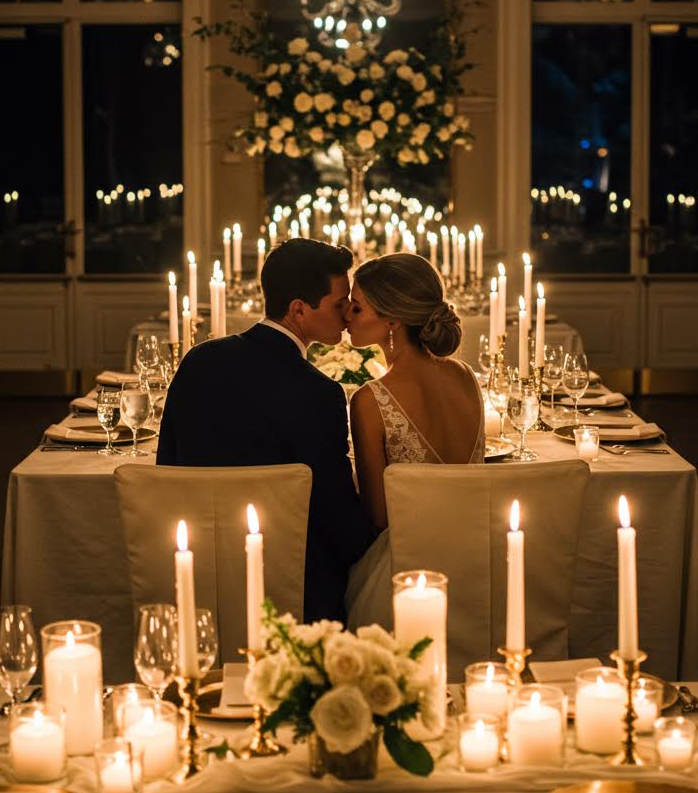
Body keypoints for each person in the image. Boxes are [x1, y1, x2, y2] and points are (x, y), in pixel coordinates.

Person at [157, 238, 375, 622]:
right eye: (339, 304)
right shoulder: (318, 394)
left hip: (196, 571)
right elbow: (338, 519)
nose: (347, 315)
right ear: (298, 309)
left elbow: (168, 468)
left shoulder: (199, 361)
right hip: (296, 593)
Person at [344, 253, 484, 627]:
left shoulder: (370, 400)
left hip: (407, 574)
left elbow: (378, 517)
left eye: (356, 309)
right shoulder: (466, 378)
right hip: (477, 562)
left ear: (391, 319)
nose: (346, 318)